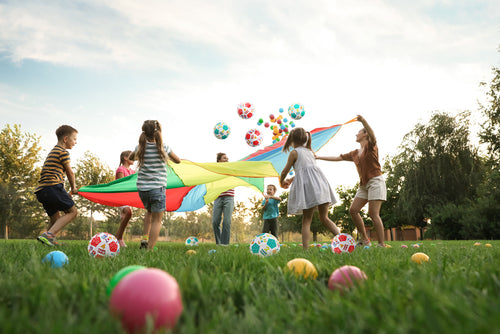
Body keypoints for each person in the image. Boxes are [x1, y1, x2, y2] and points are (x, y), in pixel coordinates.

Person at [316, 115, 387, 248]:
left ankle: (381, 244)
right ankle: (364, 239)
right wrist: (319, 157)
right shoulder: (355, 153)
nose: (356, 134)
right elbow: (338, 157)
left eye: (359, 132)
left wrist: (364, 121)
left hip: (376, 182)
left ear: (365, 135)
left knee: (373, 213)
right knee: (353, 210)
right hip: (364, 185)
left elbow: (373, 135)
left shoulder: (371, 146)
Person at [279, 127, 340, 250]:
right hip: (321, 186)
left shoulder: (294, 153)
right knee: (325, 218)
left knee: (307, 220)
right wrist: (292, 179)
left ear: (292, 139)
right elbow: (306, 171)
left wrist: (281, 182)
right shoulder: (310, 152)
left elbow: (286, 171)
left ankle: (306, 250)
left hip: (310, 189)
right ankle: (343, 241)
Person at [129, 120, 180, 250]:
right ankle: (149, 250)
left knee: (149, 211)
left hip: (142, 189)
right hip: (157, 188)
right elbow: (178, 160)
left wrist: (139, 152)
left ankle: (144, 239)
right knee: (157, 220)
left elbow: (130, 157)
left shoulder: (140, 147)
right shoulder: (164, 147)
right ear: (159, 132)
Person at [36, 125, 79, 246]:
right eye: (74, 139)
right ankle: (48, 235)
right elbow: (70, 172)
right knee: (72, 212)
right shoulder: (63, 152)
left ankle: (47, 241)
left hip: (42, 190)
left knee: (55, 218)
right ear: (66, 139)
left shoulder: (53, 151)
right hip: (52, 187)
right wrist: (73, 188)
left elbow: (53, 174)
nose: (76, 142)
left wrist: (64, 192)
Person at [212, 153, 234, 245]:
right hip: (218, 197)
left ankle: (225, 245)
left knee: (226, 222)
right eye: (224, 158)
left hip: (229, 198)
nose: (227, 159)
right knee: (215, 222)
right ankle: (219, 243)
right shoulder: (215, 170)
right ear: (219, 160)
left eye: (227, 158)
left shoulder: (231, 169)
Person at [114, 150, 135, 248]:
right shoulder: (120, 170)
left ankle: (118, 239)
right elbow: (121, 185)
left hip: (128, 198)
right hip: (120, 197)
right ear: (125, 158)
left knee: (125, 217)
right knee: (128, 212)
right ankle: (118, 238)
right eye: (132, 156)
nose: (134, 158)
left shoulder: (133, 171)